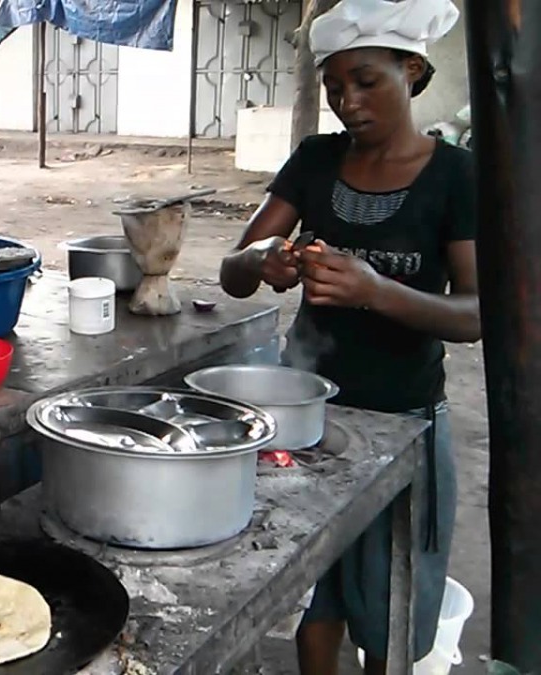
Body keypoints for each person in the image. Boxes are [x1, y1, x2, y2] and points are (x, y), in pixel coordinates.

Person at [218, 0, 478, 673]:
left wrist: (375, 291)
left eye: (366, 81)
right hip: (310, 421)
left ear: (412, 69)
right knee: (318, 599)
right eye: (334, 87)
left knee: (388, 616)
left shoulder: (455, 176)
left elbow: (479, 315)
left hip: (406, 420)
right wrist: (266, 257)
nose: (347, 102)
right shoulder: (315, 160)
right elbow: (234, 269)